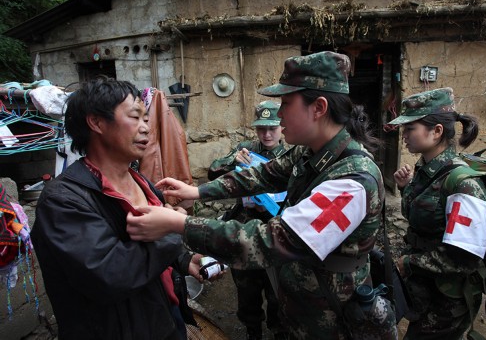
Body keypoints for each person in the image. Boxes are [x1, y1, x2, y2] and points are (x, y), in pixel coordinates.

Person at [127, 51, 398, 339]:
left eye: (286, 104)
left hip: (329, 316)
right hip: (300, 302)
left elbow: (272, 241)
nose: (279, 115)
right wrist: (198, 191)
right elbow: (264, 174)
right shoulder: (312, 151)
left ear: (318, 107)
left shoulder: (352, 181)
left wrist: (178, 225)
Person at [30, 77, 221, 340]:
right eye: (136, 117)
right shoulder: (62, 200)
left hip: (164, 316)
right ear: (96, 122)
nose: (146, 128)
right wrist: (173, 229)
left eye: (146, 119)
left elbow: (153, 245)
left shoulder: (142, 182)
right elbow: (109, 275)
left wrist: (185, 259)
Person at [388, 88, 486, 339]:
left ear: (436, 132)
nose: (404, 136)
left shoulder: (463, 184)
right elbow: (418, 219)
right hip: (425, 290)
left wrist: (408, 263)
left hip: (447, 303)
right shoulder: (426, 170)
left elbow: (464, 257)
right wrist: (405, 189)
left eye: (410, 128)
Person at [208, 100, 286, 340]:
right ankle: (253, 331)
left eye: (272, 127)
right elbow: (212, 171)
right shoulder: (245, 149)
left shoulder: (291, 154)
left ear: (282, 127)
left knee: (277, 289)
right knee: (246, 285)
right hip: (244, 228)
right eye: (262, 128)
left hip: (277, 228)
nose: (267, 134)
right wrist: (233, 161)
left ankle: (279, 330)